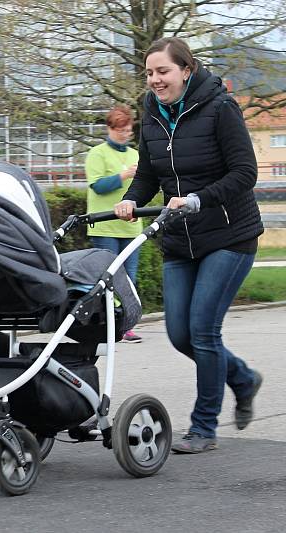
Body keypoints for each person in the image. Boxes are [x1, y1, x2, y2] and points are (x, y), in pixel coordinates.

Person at [114, 37, 264, 454]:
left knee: (203, 331)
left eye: (163, 71)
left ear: (186, 69)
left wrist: (201, 199)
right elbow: (148, 173)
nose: (155, 79)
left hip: (230, 236)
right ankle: (242, 378)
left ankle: (203, 428)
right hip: (181, 239)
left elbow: (244, 173)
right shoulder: (151, 112)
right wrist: (132, 199)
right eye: (149, 73)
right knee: (180, 334)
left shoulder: (220, 108)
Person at [85, 105, 144, 343]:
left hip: (130, 227)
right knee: (107, 277)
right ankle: (108, 323)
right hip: (106, 226)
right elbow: (98, 186)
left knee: (129, 278)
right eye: (120, 130)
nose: (125, 135)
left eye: (128, 131)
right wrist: (123, 176)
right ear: (110, 128)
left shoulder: (135, 155)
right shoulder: (97, 154)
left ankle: (127, 325)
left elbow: (142, 189)